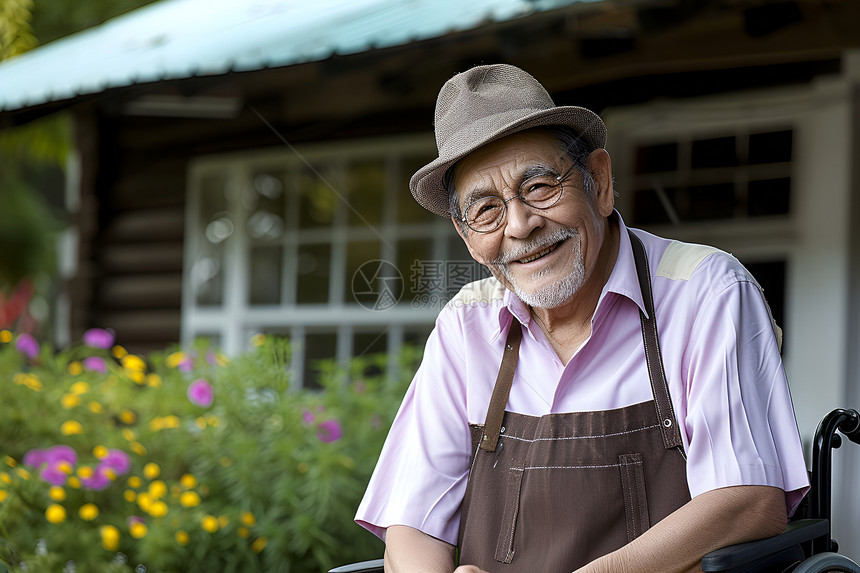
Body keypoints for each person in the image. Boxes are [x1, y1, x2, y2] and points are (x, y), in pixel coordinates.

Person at [355, 64, 809, 573]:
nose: (521, 226)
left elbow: (748, 498)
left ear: (600, 181)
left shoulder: (705, 290)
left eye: (541, 187)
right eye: (486, 210)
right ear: (467, 238)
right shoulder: (466, 325)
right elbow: (412, 521)